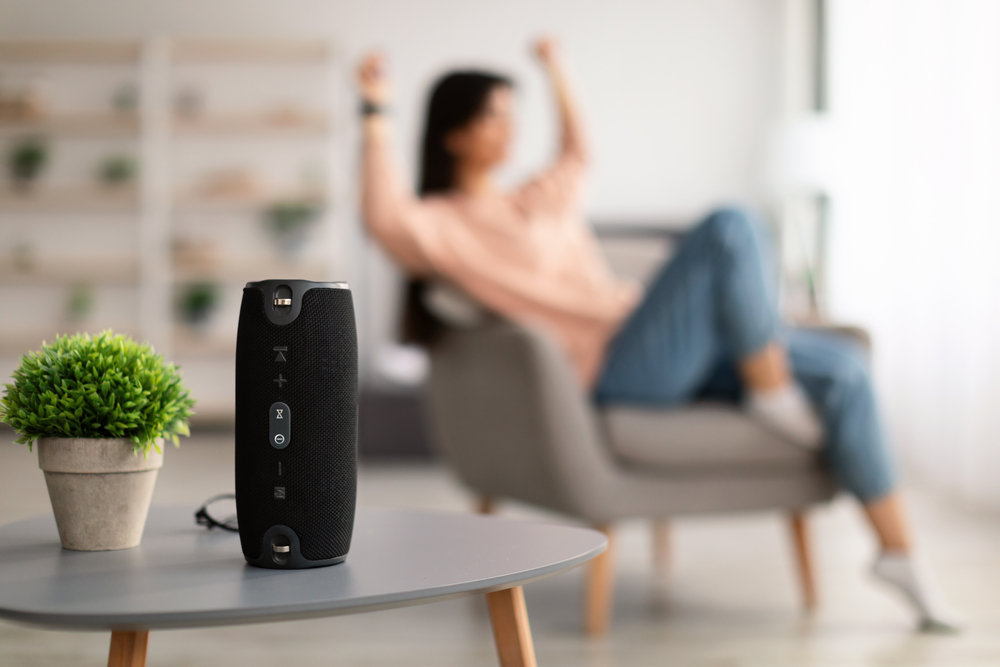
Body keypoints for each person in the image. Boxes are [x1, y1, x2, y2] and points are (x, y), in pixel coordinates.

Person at [357, 38, 962, 631]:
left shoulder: (540, 198)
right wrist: (374, 110)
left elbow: (578, 152)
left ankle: (898, 556)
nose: (509, 129)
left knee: (844, 368)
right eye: (493, 116)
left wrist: (557, 70)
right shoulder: (441, 227)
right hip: (622, 365)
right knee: (730, 227)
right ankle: (771, 391)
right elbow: (383, 216)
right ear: (454, 133)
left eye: (514, 115)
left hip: (668, 348)